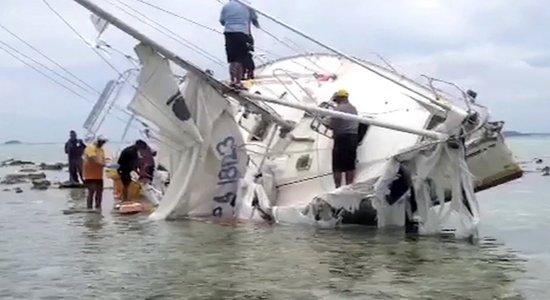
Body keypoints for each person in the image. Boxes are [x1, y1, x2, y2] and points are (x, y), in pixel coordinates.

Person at [219, 0, 260, 88]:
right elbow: (254, 19)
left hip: (229, 33)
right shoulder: (247, 6)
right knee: (239, 59)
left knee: (232, 60)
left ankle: (232, 80)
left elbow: (222, 21)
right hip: (241, 33)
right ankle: (238, 82)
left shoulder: (226, 7)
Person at [330, 89, 359, 188]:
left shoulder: (338, 109)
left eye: (336, 99)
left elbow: (333, 124)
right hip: (353, 138)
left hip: (342, 138)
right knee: (350, 165)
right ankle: (349, 186)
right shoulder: (354, 109)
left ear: (339, 98)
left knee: (337, 166)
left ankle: (338, 187)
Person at [83, 136, 108, 210]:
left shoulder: (101, 150)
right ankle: (89, 208)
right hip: (89, 174)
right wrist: (103, 164)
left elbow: (103, 159)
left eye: (103, 142)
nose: (102, 144)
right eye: (101, 142)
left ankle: (98, 207)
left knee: (99, 192)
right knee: (91, 191)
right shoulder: (90, 148)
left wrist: (108, 163)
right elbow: (93, 158)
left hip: (99, 175)